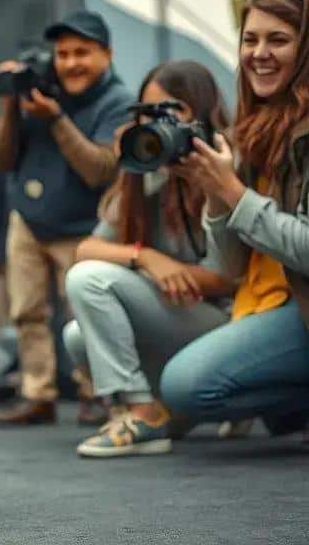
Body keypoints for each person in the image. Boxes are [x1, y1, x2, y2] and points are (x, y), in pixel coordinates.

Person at [63, 61, 234, 457]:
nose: (159, 123)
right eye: (149, 112)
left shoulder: (225, 162)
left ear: (201, 112)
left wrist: (177, 272)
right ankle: (160, 411)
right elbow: (86, 249)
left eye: (173, 112)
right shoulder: (145, 164)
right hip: (177, 316)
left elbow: (230, 279)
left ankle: (142, 410)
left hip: (224, 320)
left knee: (90, 280)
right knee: (75, 336)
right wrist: (147, 258)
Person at [160, 0, 309, 435]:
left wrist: (234, 192)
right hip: (266, 302)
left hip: (296, 303)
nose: (259, 54)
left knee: (187, 386)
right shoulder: (253, 128)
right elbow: (228, 266)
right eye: (250, 39)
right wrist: (213, 193)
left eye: (278, 40)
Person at [0, 10, 132, 427]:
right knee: (27, 312)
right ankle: (38, 394)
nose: (70, 63)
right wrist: (10, 108)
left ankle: (95, 394)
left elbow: (100, 169)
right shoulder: (39, 88)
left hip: (82, 227)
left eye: (82, 52)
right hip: (29, 220)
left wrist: (56, 120)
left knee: (83, 314)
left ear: (108, 54)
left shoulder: (117, 102)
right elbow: (0, 158)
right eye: (63, 53)